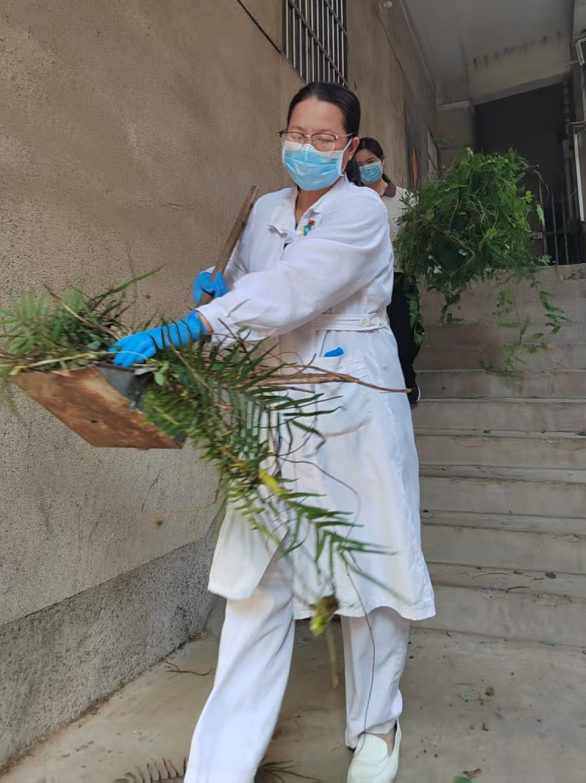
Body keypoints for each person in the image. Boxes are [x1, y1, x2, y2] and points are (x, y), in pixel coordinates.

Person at [112, 82, 435, 783]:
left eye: (324, 138)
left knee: (368, 568)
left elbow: (294, 289)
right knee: (257, 579)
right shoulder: (264, 210)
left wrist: (194, 324)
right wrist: (215, 289)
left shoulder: (361, 212)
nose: (306, 148)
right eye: (296, 134)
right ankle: (220, 766)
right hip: (275, 405)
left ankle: (377, 724)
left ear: (350, 147)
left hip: (353, 404)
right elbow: (247, 288)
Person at [354, 138, 422, 406]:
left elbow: (418, 237)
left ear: (382, 162)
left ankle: (407, 380)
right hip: (366, 283)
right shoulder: (353, 200)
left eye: (370, 161)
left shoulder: (406, 200)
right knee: (373, 338)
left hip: (400, 278)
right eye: (359, 164)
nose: (366, 168)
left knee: (405, 337)